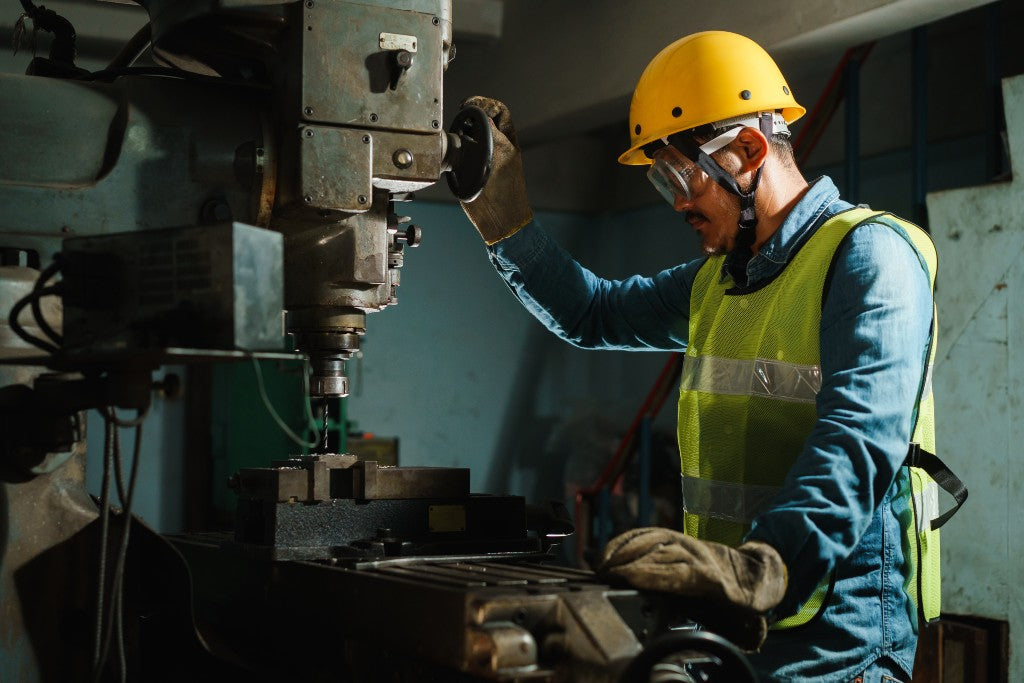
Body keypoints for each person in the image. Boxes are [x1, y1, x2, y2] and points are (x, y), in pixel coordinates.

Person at [458, 31, 961, 683]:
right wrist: (504, 220)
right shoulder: (719, 280)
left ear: (749, 148)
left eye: (680, 174)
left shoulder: (869, 257)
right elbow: (592, 311)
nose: (678, 203)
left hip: (838, 652)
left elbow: (857, 440)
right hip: (729, 629)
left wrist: (763, 568)